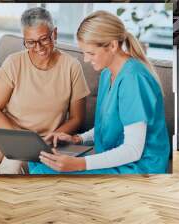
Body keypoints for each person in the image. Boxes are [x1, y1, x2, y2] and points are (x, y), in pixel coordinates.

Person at [29, 10, 170, 174]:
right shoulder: (107, 73)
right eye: (84, 52)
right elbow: (109, 125)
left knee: (44, 171)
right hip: (114, 156)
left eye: (91, 53)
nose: (86, 60)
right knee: (37, 160)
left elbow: (133, 149)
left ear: (112, 45)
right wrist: (78, 139)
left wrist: (79, 164)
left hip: (139, 166)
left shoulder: (134, 79)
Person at [0, 7, 90, 174]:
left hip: (42, 140)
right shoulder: (14, 62)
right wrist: (16, 138)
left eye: (44, 39)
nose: (38, 47)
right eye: (30, 42)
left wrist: (52, 136)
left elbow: (77, 118)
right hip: (5, 130)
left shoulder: (72, 66)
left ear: (55, 34)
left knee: (11, 169)